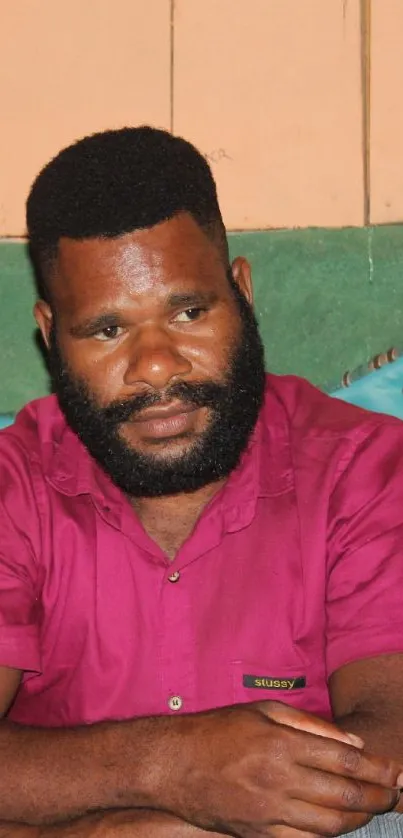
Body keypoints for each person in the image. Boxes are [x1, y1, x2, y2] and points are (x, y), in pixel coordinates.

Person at [1, 126, 403, 838]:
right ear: (48, 333)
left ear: (241, 290)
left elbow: (389, 742)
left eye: (188, 313)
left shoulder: (361, 467)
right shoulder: (14, 487)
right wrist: (168, 771)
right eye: (104, 331)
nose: (156, 367)